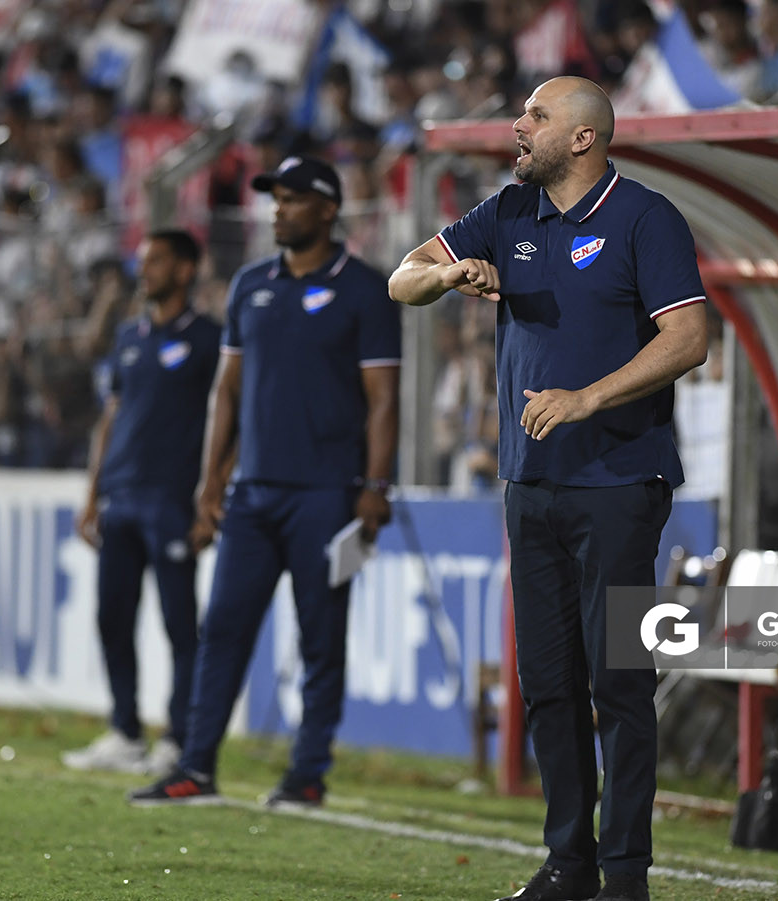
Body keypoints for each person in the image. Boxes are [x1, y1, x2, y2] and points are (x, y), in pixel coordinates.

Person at [389, 77, 708, 901]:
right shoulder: (506, 212)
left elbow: (689, 338)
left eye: (536, 116)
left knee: (620, 682)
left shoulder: (646, 218)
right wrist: (449, 276)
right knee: (551, 683)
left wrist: (586, 398)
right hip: (530, 485)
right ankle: (569, 863)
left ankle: (626, 874)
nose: (517, 125)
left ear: (582, 139)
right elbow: (403, 279)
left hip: (621, 483)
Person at [130, 156, 401, 807]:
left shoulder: (365, 289)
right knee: (222, 626)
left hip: (328, 493)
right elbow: (226, 390)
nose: (278, 209)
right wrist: (211, 479)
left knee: (319, 637)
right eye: (274, 198)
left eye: (292, 199)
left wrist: (375, 485)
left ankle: (307, 771)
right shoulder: (250, 284)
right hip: (254, 493)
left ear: (329, 209)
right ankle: (196, 764)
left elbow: (385, 398)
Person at [62, 230, 219, 776]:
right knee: (112, 617)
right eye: (142, 260)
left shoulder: (207, 340)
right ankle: (124, 731)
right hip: (121, 497)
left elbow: (227, 420)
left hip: (173, 499)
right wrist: (92, 494)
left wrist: (211, 497)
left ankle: (178, 737)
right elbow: (111, 417)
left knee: (179, 622)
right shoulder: (129, 337)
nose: (143, 269)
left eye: (156, 261)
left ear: (184, 270)